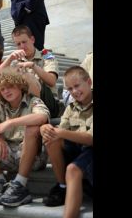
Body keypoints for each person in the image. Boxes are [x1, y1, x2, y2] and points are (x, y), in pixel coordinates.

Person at [0, 71, 49, 207]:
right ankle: (0, 183)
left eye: (10, 86)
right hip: (8, 154)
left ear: (19, 86)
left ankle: (20, 185)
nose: (6, 91)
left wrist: (9, 123)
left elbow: (42, 117)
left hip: (32, 157)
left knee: (33, 127)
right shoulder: (1, 105)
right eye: (3, 88)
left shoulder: (33, 100)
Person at [40, 66, 93, 214]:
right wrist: (45, 129)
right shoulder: (71, 108)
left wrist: (60, 132)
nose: (74, 91)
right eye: (70, 89)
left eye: (77, 86)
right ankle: (63, 187)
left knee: (72, 169)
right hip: (80, 153)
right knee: (51, 138)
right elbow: (59, 131)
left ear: (88, 82)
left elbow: (91, 139)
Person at [0, 24, 59, 115]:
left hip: (48, 103)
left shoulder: (46, 56)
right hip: (25, 102)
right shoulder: (16, 61)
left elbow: (52, 81)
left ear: (32, 39)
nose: (22, 46)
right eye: (18, 44)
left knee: (26, 76)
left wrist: (33, 66)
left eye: (24, 42)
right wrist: (9, 58)